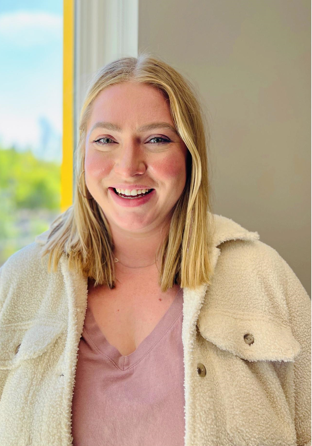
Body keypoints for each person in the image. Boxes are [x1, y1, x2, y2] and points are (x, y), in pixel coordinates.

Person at [0, 55, 310, 446]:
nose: (129, 166)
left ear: (189, 155)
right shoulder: (20, 280)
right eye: (106, 140)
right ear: (83, 154)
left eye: (156, 139)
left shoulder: (261, 276)